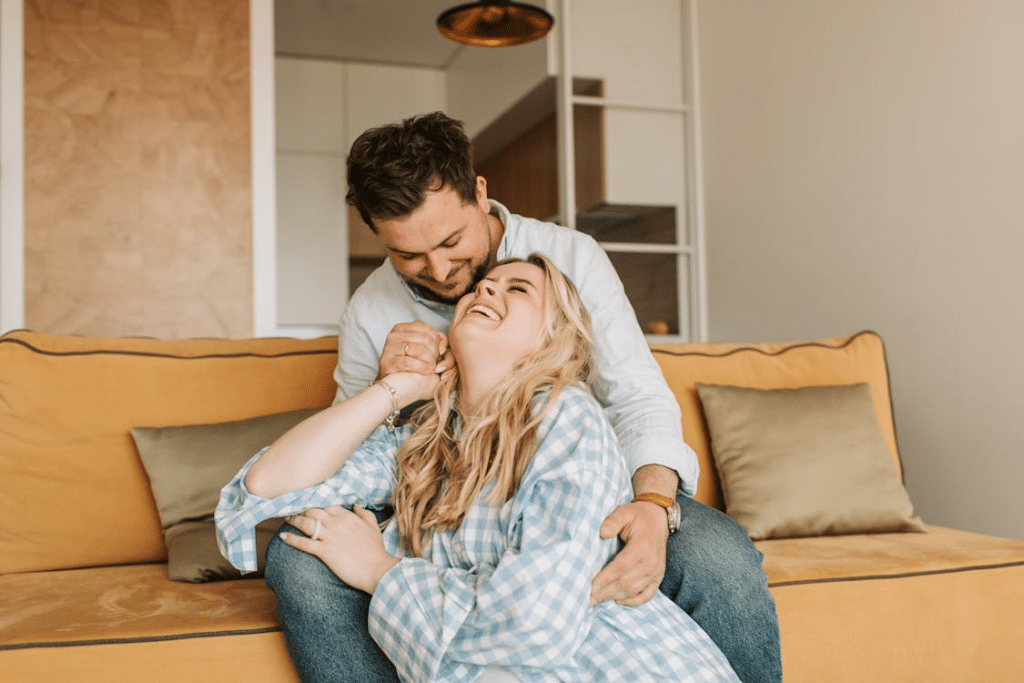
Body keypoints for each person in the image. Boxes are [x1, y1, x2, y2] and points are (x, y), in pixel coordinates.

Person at [266, 111, 781, 683]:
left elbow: (636, 397)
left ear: (479, 194)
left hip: (576, 495)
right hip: (440, 496)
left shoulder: (570, 258)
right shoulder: (370, 311)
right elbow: (340, 460)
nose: (437, 270)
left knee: (717, 558)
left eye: (450, 240)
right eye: (408, 257)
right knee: (297, 553)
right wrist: (388, 392)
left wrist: (654, 507)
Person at [217, 254, 740, 683]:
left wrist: (379, 572)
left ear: (553, 339)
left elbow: (537, 623)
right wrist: (396, 389)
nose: (484, 292)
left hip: (611, 669)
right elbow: (269, 484)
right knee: (295, 545)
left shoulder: (565, 417)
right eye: (483, 286)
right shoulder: (420, 443)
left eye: (517, 290)